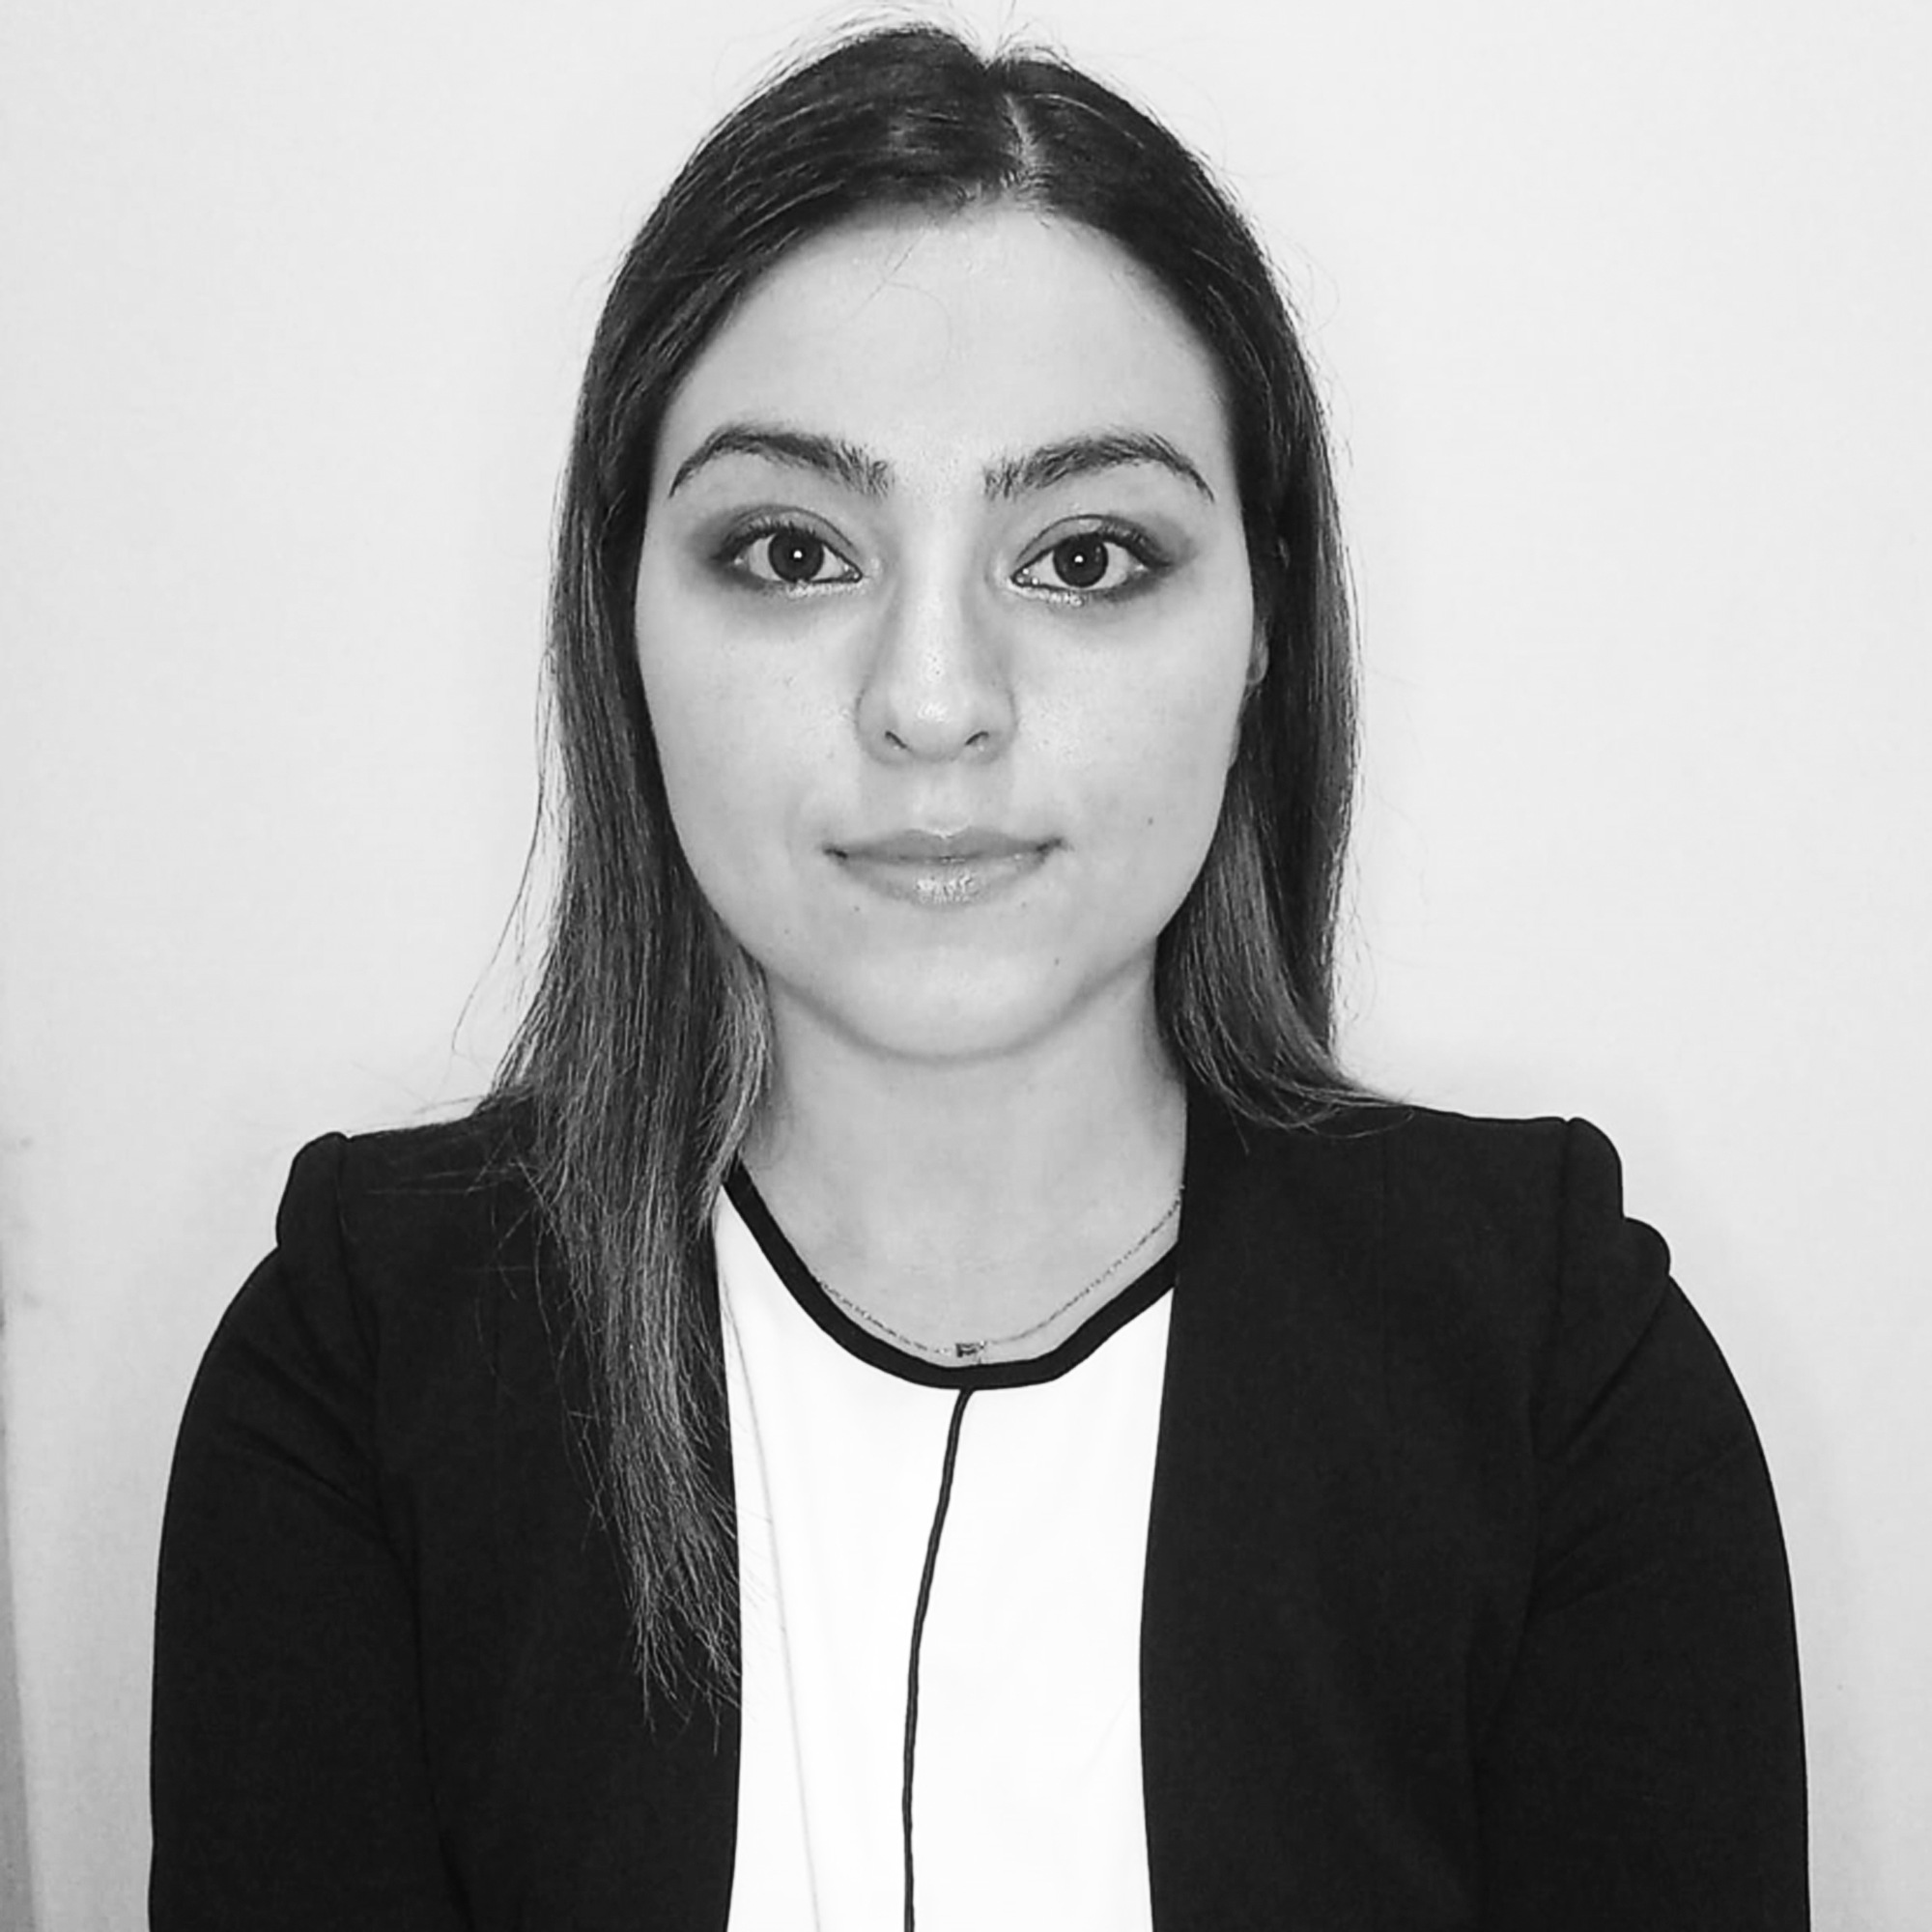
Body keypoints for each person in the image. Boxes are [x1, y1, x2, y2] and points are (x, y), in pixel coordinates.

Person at [149, 22, 1806, 1930]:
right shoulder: (363, 1359)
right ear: (621, 619)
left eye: (1084, 558)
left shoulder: (1554, 1367)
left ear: (1264, 624)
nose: (933, 702)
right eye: (791, 550)